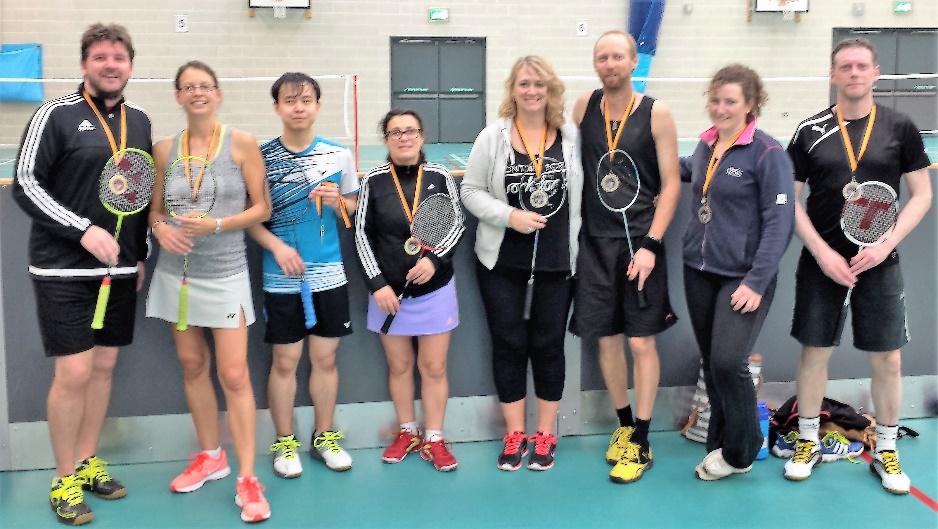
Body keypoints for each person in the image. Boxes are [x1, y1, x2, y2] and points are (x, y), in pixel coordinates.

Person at [12, 23, 149, 526]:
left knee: (104, 368)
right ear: (84, 64)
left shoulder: (140, 121)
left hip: (119, 269)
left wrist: (140, 253)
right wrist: (82, 230)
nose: (110, 65)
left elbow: (138, 190)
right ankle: (64, 477)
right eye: (100, 57)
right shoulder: (55, 114)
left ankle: (89, 460)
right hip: (61, 269)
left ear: (130, 65)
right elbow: (25, 183)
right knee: (73, 373)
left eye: (118, 57)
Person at [783, 38, 932, 494]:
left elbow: (922, 195)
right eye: (845, 66)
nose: (853, 73)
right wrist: (822, 252)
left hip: (879, 261)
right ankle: (807, 441)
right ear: (833, 75)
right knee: (815, 352)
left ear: (875, 73)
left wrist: (886, 243)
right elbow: (789, 199)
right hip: (823, 263)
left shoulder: (900, 127)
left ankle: (885, 448)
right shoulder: (809, 130)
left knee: (888, 357)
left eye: (861, 66)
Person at [146, 61, 272, 523]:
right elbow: (154, 211)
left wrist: (218, 224)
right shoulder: (164, 149)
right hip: (177, 275)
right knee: (193, 365)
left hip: (226, 274)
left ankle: (247, 478)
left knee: (234, 375)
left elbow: (262, 208)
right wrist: (160, 229)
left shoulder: (242, 143)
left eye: (204, 86)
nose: (197, 92)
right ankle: (210, 455)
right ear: (178, 96)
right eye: (188, 87)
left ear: (217, 93)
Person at [569, 29, 681, 483]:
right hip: (595, 245)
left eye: (617, 56)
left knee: (640, 342)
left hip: (639, 243)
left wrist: (652, 244)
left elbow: (670, 185)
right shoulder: (583, 107)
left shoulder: (657, 114)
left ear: (634, 62)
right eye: (602, 57)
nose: (609, 64)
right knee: (607, 339)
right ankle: (623, 424)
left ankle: (643, 438)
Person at [461, 56, 582, 471]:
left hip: (557, 263)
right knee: (509, 344)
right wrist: (508, 216)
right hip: (501, 262)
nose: (531, 91)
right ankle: (515, 435)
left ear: (551, 90)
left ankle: (545, 435)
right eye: (524, 84)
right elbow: (471, 191)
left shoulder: (571, 137)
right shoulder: (492, 137)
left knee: (549, 346)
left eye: (539, 84)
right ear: (512, 89)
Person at [680, 64, 795, 480]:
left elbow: (780, 223)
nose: (721, 108)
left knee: (729, 362)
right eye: (715, 100)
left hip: (742, 277)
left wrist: (756, 281)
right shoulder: (706, 145)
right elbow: (690, 170)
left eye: (730, 101)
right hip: (698, 270)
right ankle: (720, 444)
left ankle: (742, 451)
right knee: (713, 365)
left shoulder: (768, 153)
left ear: (750, 104)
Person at [246, 72, 358, 478]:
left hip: (329, 273)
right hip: (281, 276)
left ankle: (324, 436)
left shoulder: (338, 155)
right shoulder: (260, 156)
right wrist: (277, 248)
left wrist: (338, 202)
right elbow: (252, 219)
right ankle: (284, 441)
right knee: (285, 360)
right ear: (277, 107)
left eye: (306, 100)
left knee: (325, 359)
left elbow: (352, 210)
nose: (298, 107)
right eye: (290, 100)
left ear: (317, 106)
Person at [355, 109, 465, 472]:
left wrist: (434, 260)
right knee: (399, 366)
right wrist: (377, 284)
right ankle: (407, 432)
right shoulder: (373, 181)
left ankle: (434, 437)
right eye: (395, 132)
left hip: (435, 290)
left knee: (433, 367)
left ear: (422, 136)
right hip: (389, 295)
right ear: (386, 140)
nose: (404, 137)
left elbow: (457, 224)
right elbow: (362, 234)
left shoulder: (439, 176)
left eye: (410, 131)